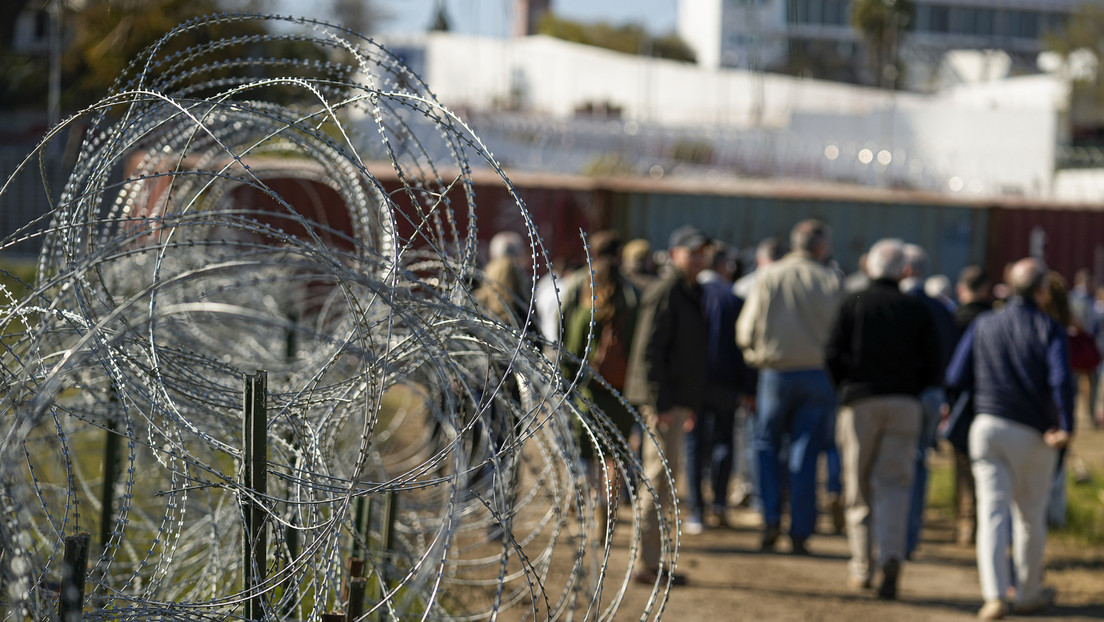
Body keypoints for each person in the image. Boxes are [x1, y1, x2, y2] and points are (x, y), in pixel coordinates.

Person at [945, 257, 1074, 620]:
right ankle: (1029, 591)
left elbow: (955, 376)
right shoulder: (1049, 329)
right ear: (1042, 291)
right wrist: (1066, 427)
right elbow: (1061, 381)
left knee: (992, 512)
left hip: (986, 428)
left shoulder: (984, 323)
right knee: (1030, 516)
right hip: (1034, 433)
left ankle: (995, 595)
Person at [825, 239, 941, 600]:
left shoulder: (853, 302)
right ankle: (892, 555)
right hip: (905, 403)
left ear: (870, 267)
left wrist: (845, 387)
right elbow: (935, 363)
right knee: (894, 485)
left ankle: (863, 565)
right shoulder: (916, 309)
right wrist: (912, 388)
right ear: (904, 271)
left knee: (858, 486)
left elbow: (832, 352)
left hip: (860, 403)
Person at [736, 219, 840, 555]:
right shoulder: (831, 280)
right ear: (820, 246)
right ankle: (800, 528)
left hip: (776, 373)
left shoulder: (770, 276)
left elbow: (745, 330)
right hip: (817, 374)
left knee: (765, 444)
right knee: (806, 452)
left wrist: (755, 355)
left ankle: (769, 517)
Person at [623, 225, 712, 586]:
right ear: (675, 253)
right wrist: (660, 401)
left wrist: (686, 404)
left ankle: (654, 561)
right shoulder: (667, 291)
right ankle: (646, 565)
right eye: (693, 251)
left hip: (676, 402)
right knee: (656, 480)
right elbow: (649, 350)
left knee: (665, 482)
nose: (700, 257)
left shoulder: (690, 291)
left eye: (703, 251)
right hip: (663, 402)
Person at [561, 230, 639, 523]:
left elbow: (570, 354)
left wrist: (565, 387)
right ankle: (610, 503)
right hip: (621, 392)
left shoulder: (584, 313)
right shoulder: (631, 309)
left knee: (590, 453)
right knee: (613, 458)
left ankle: (592, 500)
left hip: (589, 393)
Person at [684, 242, 756, 533]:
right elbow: (743, 348)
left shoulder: (691, 296)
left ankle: (696, 511)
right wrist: (748, 388)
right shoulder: (734, 299)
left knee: (694, 444)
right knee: (724, 442)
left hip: (694, 384)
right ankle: (720, 504)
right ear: (723, 266)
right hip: (727, 383)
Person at [899, 244, 957, 558]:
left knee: (894, 464)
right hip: (932, 395)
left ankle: (893, 537)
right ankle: (911, 535)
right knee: (920, 461)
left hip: (902, 395)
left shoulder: (898, 303)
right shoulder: (942, 309)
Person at [948, 265, 993, 547]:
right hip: (990, 402)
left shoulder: (952, 320)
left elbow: (950, 372)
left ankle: (965, 523)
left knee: (962, 464)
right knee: (988, 467)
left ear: (961, 288)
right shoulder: (993, 319)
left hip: (960, 402)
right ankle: (982, 522)